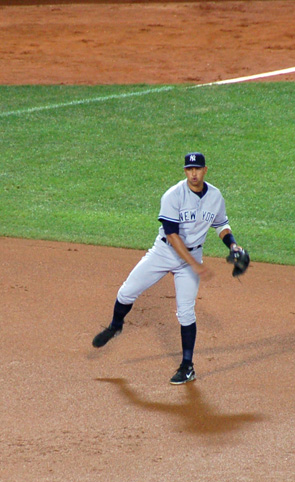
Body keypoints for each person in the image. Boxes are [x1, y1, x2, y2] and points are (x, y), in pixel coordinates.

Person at [91, 152, 246, 387]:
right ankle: (115, 326)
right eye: (188, 169)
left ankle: (187, 367)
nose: (193, 173)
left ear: (205, 170)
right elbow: (172, 236)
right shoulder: (173, 195)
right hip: (164, 253)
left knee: (186, 313)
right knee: (126, 292)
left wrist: (232, 243)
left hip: (193, 254)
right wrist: (195, 265)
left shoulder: (215, 196)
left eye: (197, 169)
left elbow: (221, 224)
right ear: (185, 171)